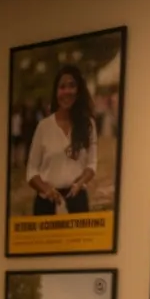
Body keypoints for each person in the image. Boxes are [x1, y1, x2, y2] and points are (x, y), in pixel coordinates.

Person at [27, 64, 97, 216]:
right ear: (56, 92)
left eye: (72, 86)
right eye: (62, 87)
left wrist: (80, 183)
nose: (67, 91)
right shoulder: (44, 127)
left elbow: (92, 164)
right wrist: (46, 190)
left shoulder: (88, 124)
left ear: (78, 91)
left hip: (78, 201)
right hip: (47, 204)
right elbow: (31, 171)